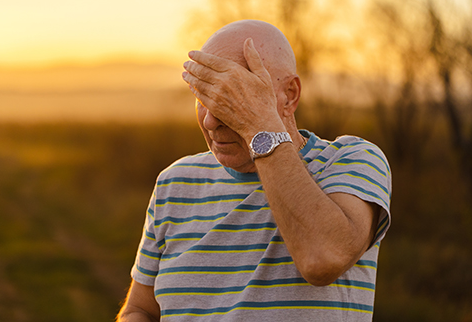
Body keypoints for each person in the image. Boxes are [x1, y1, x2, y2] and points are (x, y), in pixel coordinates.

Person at [117, 20, 391, 321]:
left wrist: (258, 126)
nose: (209, 121)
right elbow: (140, 309)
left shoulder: (350, 160)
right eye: (203, 98)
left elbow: (322, 258)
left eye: (231, 99)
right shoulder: (175, 182)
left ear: (289, 95)